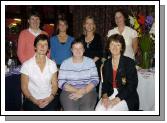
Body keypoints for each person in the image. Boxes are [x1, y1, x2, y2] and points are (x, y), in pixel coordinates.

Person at [95, 34, 139, 111]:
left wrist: (117, 99)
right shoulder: (106, 64)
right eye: (112, 44)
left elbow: (131, 85)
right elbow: (105, 84)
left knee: (110, 110)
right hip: (110, 94)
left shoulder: (129, 63)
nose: (114, 47)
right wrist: (104, 96)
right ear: (108, 47)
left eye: (118, 45)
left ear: (121, 48)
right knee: (98, 110)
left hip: (126, 96)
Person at [58, 40, 99, 111]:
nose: (78, 50)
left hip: (88, 90)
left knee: (86, 110)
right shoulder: (65, 63)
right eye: (75, 48)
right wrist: (78, 91)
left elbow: (95, 80)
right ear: (71, 50)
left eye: (80, 48)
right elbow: (61, 82)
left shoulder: (90, 62)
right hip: (69, 91)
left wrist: (84, 91)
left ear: (83, 50)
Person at [20, 34, 58, 111]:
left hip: (49, 98)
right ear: (35, 47)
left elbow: (55, 85)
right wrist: (35, 101)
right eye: (39, 44)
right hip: (32, 99)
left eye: (45, 44)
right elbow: (24, 87)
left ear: (48, 48)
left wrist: (50, 99)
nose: (42, 47)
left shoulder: (52, 64)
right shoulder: (26, 65)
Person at [78, 16, 103, 95]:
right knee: (83, 90)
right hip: (82, 68)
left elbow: (100, 52)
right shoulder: (81, 38)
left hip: (94, 67)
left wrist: (90, 63)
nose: (89, 25)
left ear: (94, 26)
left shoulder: (98, 37)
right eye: (87, 23)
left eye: (91, 23)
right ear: (84, 25)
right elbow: (77, 53)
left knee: (93, 91)